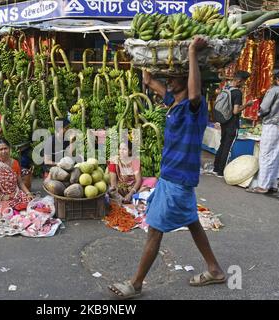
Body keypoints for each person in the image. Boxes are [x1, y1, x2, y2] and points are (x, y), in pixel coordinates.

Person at [108, 37, 225, 299]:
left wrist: (193, 52)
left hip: (178, 179)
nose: (169, 81)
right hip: (170, 177)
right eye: (168, 77)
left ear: (188, 77)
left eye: (174, 77)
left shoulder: (194, 108)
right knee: (193, 223)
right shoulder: (173, 100)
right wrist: (142, 54)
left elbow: (195, 93)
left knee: (155, 230)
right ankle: (215, 269)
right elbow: (149, 81)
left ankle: (136, 283)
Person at [213, 71, 253, 177]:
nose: (244, 84)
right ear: (240, 81)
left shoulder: (226, 89)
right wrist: (247, 105)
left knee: (222, 144)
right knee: (228, 146)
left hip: (224, 121)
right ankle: (221, 171)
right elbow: (236, 111)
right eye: (244, 82)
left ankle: (216, 168)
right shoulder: (237, 93)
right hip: (232, 123)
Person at [0, 139, 33, 213]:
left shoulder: (15, 163)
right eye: (0, 149)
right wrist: (1, 197)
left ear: (9, 149)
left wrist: (28, 193)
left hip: (14, 194)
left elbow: (20, 182)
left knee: (30, 203)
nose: (4, 151)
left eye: (5, 148)